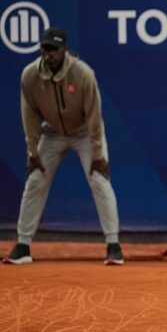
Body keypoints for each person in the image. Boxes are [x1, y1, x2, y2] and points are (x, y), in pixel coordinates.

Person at [2, 27, 123, 265]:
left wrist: (98, 155)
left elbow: (95, 117)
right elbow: (29, 117)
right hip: (52, 133)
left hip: (85, 133)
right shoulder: (29, 76)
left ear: (64, 50)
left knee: (99, 180)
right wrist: (32, 152)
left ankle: (113, 245)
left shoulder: (83, 74)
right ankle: (23, 245)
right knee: (35, 180)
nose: (49, 55)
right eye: (45, 49)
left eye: (54, 49)